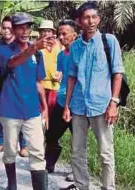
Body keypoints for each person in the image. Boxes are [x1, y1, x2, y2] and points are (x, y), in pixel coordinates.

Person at [62, 2, 125, 190]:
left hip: (101, 106)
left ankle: (108, 187)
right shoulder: (75, 47)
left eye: (94, 17)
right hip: (79, 106)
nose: (90, 21)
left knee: (106, 153)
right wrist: (67, 106)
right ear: (79, 21)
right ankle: (82, 186)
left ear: (98, 19)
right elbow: (71, 78)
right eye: (86, 18)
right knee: (76, 151)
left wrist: (114, 102)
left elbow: (118, 73)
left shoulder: (109, 41)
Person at [0, 12, 55, 190]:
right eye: (20, 27)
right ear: (14, 30)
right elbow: (13, 62)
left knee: (38, 153)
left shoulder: (37, 54)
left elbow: (39, 82)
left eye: (28, 27)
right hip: (10, 110)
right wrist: (33, 48)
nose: (25, 31)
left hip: (32, 111)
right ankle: (12, 184)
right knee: (9, 151)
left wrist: (45, 108)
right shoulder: (4, 49)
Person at [0, 16, 28, 157]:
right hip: (0, 85)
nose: (6, 31)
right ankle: (0, 142)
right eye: (4, 28)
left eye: (9, 28)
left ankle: (23, 145)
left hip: (18, 86)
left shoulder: (21, 45)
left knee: (21, 114)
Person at [44, 19, 77, 174]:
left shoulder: (80, 53)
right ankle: (49, 164)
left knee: (77, 139)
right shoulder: (62, 54)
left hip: (77, 105)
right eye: (59, 34)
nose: (61, 37)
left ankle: (75, 171)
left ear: (75, 35)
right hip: (61, 100)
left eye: (65, 34)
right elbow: (63, 74)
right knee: (51, 134)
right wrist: (59, 75)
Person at [37, 20, 62, 114]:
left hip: (55, 84)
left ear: (52, 32)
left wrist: (61, 73)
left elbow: (64, 62)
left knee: (52, 113)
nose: (47, 33)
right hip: (40, 84)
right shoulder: (36, 45)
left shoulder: (59, 45)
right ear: (40, 32)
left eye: (49, 31)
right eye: (44, 31)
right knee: (40, 112)